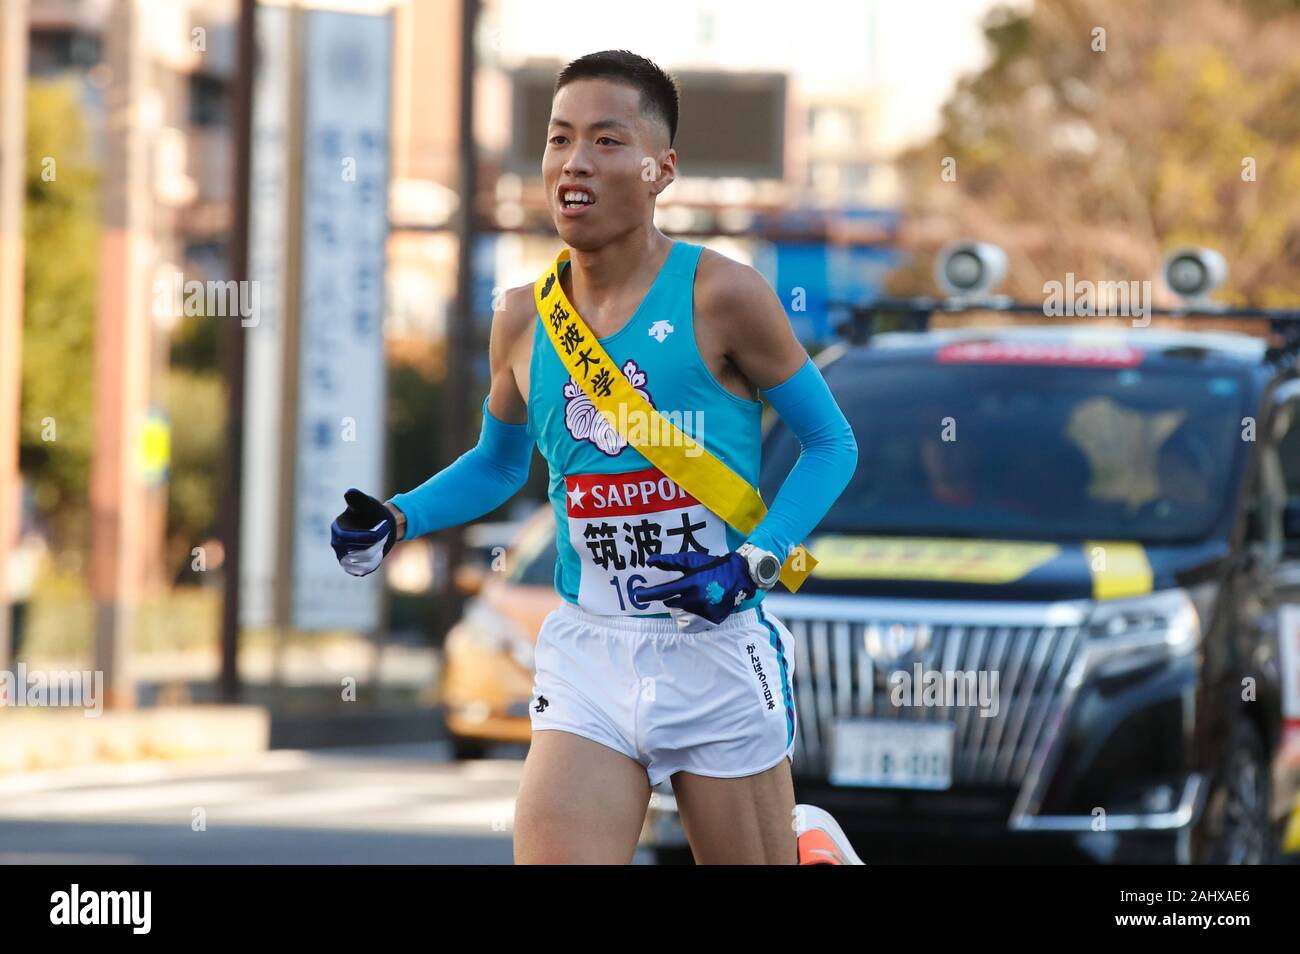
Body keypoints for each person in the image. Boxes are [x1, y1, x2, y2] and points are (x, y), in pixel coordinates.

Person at [331, 50, 862, 865]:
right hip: (588, 653)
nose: (575, 162)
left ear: (661, 170)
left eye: (607, 141)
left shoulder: (723, 295)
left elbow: (832, 444)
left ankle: (809, 852)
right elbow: (500, 465)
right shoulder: (520, 318)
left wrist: (754, 562)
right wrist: (400, 516)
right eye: (559, 139)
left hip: (713, 648)